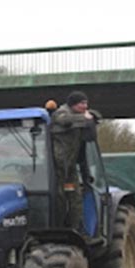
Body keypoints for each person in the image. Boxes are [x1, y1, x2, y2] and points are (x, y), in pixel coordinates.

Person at [50, 91, 97, 233]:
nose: (85, 106)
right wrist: (85, 118)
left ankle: (75, 229)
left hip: (70, 167)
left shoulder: (79, 116)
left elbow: (90, 137)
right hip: (57, 166)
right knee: (58, 198)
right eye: (82, 103)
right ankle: (56, 228)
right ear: (73, 104)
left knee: (75, 197)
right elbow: (65, 121)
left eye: (86, 103)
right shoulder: (61, 112)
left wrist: (91, 122)